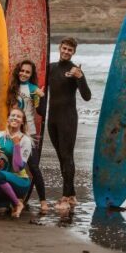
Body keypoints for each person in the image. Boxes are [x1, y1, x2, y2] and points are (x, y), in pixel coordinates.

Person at [47, 37, 91, 211]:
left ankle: (65, 197)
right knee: (61, 157)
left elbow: (87, 96)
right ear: (60, 47)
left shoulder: (75, 71)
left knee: (67, 156)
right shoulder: (51, 68)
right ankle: (71, 195)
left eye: (70, 50)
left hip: (68, 119)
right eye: (64, 48)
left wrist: (80, 77)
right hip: (52, 119)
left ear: (74, 52)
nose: (66, 52)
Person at [6, 60, 48, 213]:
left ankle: (43, 201)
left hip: (29, 133)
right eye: (22, 71)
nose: (24, 74)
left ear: (31, 75)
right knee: (11, 165)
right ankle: (14, 199)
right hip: (12, 131)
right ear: (18, 71)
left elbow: (41, 112)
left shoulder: (33, 89)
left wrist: (42, 97)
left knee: (34, 167)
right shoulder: (12, 87)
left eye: (27, 72)